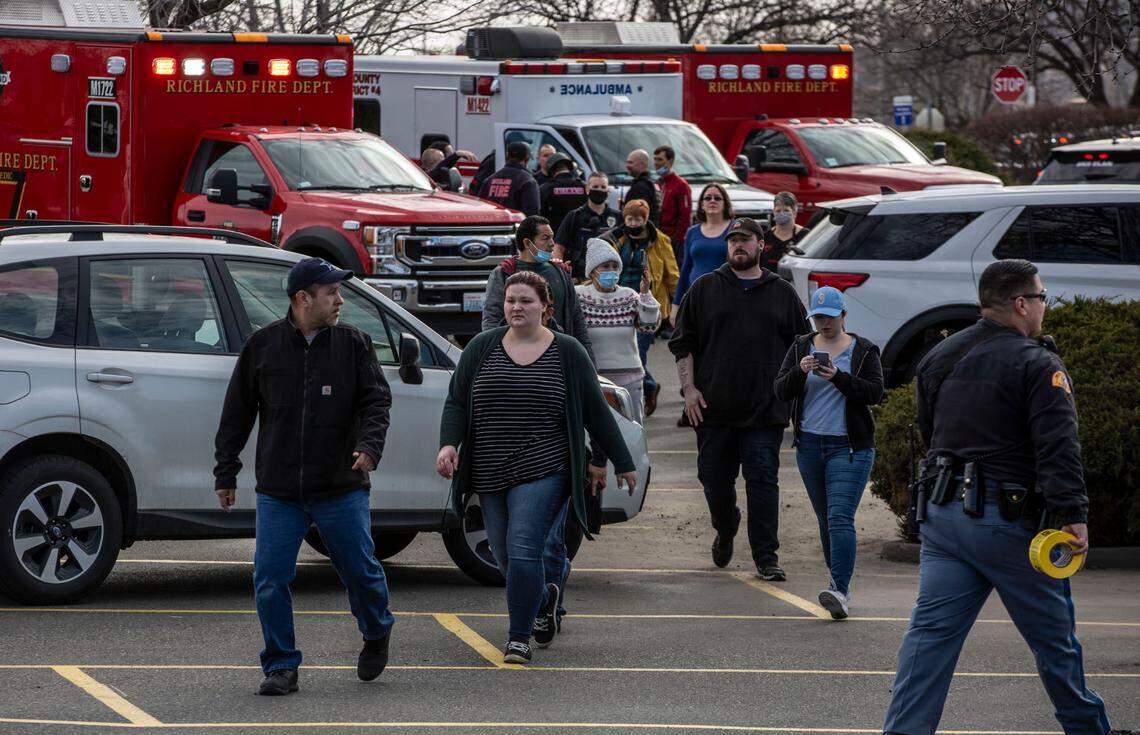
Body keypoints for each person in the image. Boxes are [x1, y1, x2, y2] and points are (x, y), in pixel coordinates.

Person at [882, 259, 1118, 735]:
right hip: (1008, 523)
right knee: (1054, 640)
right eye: (1042, 297)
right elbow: (1058, 446)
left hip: (943, 517)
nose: (1045, 305)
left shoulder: (940, 354)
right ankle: (1087, 729)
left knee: (930, 638)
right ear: (1021, 303)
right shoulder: (1038, 363)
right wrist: (1073, 514)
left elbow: (931, 432)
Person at [213, 257, 395, 696]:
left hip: (340, 485)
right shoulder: (262, 346)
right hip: (280, 491)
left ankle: (376, 629)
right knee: (270, 577)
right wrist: (226, 470)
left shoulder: (354, 344)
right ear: (303, 299)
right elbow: (237, 413)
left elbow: (376, 402)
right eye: (331, 293)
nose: (340, 300)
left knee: (361, 571)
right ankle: (281, 665)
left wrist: (369, 446)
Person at [437, 270, 638, 664]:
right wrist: (448, 444)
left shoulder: (568, 351)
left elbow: (596, 411)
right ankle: (543, 596)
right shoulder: (481, 347)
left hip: (546, 466)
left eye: (526, 301)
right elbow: (456, 401)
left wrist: (622, 462)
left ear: (546, 307)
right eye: (511, 300)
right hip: (489, 468)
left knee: (524, 547)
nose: (517, 307)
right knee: (504, 558)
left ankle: (518, 637)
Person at [669, 217, 807, 581]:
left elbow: (801, 347)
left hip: (765, 409)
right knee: (714, 480)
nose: (737, 246)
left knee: (763, 482)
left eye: (745, 240)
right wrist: (689, 389)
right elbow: (683, 343)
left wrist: (793, 399)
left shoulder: (782, 293)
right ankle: (726, 526)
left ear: (761, 244)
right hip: (713, 409)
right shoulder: (705, 288)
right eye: (732, 241)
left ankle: (766, 557)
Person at [773, 286, 884, 620]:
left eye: (831, 317)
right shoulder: (801, 346)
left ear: (843, 315)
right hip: (810, 446)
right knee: (825, 519)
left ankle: (839, 589)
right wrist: (800, 371)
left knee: (839, 517)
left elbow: (874, 393)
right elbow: (780, 390)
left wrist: (838, 377)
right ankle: (838, 581)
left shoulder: (863, 350)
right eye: (818, 317)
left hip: (849, 448)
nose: (824, 324)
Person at [604, 199, 679, 417]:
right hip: (620, 304)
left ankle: (640, 390)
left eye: (638, 219)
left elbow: (672, 273)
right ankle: (649, 384)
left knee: (638, 351)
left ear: (645, 220)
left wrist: (678, 302)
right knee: (625, 350)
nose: (633, 223)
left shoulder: (660, 240)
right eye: (629, 219)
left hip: (647, 305)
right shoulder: (617, 239)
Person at [481, 215, 593, 359]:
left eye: (552, 237)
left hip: (558, 357)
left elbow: (577, 320)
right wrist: (496, 357)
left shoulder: (561, 272)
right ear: (527, 243)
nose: (552, 244)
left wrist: (588, 360)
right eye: (545, 238)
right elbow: (492, 319)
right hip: (517, 357)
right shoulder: (504, 273)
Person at [575, 238, 661, 423]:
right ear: (593, 270)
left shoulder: (629, 296)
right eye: (605, 266)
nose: (611, 271)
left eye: (615, 266)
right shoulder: (579, 295)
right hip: (593, 378)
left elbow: (648, 327)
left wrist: (645, 294)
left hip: (630, 378)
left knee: (633, 428)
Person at [672, 183, 732, 317]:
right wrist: (676, 304)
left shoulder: (734, 229)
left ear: (725, 203)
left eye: (717, 198)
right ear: (701, 204)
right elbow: (685, 269)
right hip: (695, 298)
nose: (712, 201)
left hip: (726, 299)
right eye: (708, 198)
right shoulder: (692, 232)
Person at [554, 171, 621, 281]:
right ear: (587, 189)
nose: (599, 190)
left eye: (603, 187)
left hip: (609, 277)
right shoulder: (574, 216)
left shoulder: (618, 217)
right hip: (579, 278)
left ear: (608, 190)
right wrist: (561, 273)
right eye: (595, 186)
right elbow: (559, 247)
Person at [653, 145, 692, 267]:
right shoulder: (658, 183)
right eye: (655, 159)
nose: (656, 163)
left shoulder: (681, 185)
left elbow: (685, 216)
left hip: (673, 242)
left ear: (670, 162)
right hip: (657, 238)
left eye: (660, 159)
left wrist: (677, 239)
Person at [478, 141, 540, 216]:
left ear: (507, 156)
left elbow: (480, 207)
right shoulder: (528, 181)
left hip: (492, 222)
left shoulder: (489, 180)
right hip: (515, 223)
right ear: (527, 158)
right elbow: (532, 213)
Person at [539, 153, 587, 234]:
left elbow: (540, 215)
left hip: (555, 235)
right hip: (581, 234)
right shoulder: (584, 186)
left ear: (551, 170)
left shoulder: (546, 188)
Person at [762, 191, 806, 273]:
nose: (782, 214)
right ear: (773, 211)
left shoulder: (805, 236)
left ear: (794, 211)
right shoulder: (765, 237)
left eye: (786, 210)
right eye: (778, 211)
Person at [622, 149, 661, 224]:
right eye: (627, 162)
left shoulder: (641, 187)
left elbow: (635, 216)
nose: (627, 166)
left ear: (642, 164)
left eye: (631, 162)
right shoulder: (649, 184)